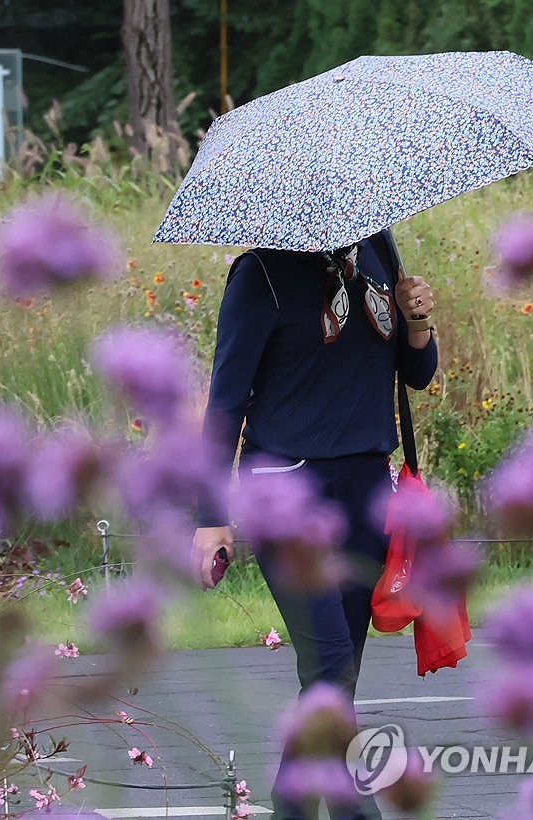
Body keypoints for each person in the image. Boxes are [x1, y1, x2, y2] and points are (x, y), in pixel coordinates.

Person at [191, 228, 438, 820]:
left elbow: (417, 373)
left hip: (366, 494)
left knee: (336, 677)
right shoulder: (262, 273)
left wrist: (417, 320)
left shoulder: (379, 249)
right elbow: (225, 401)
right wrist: (209, 518)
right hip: (286, 495)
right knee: (328, 665)